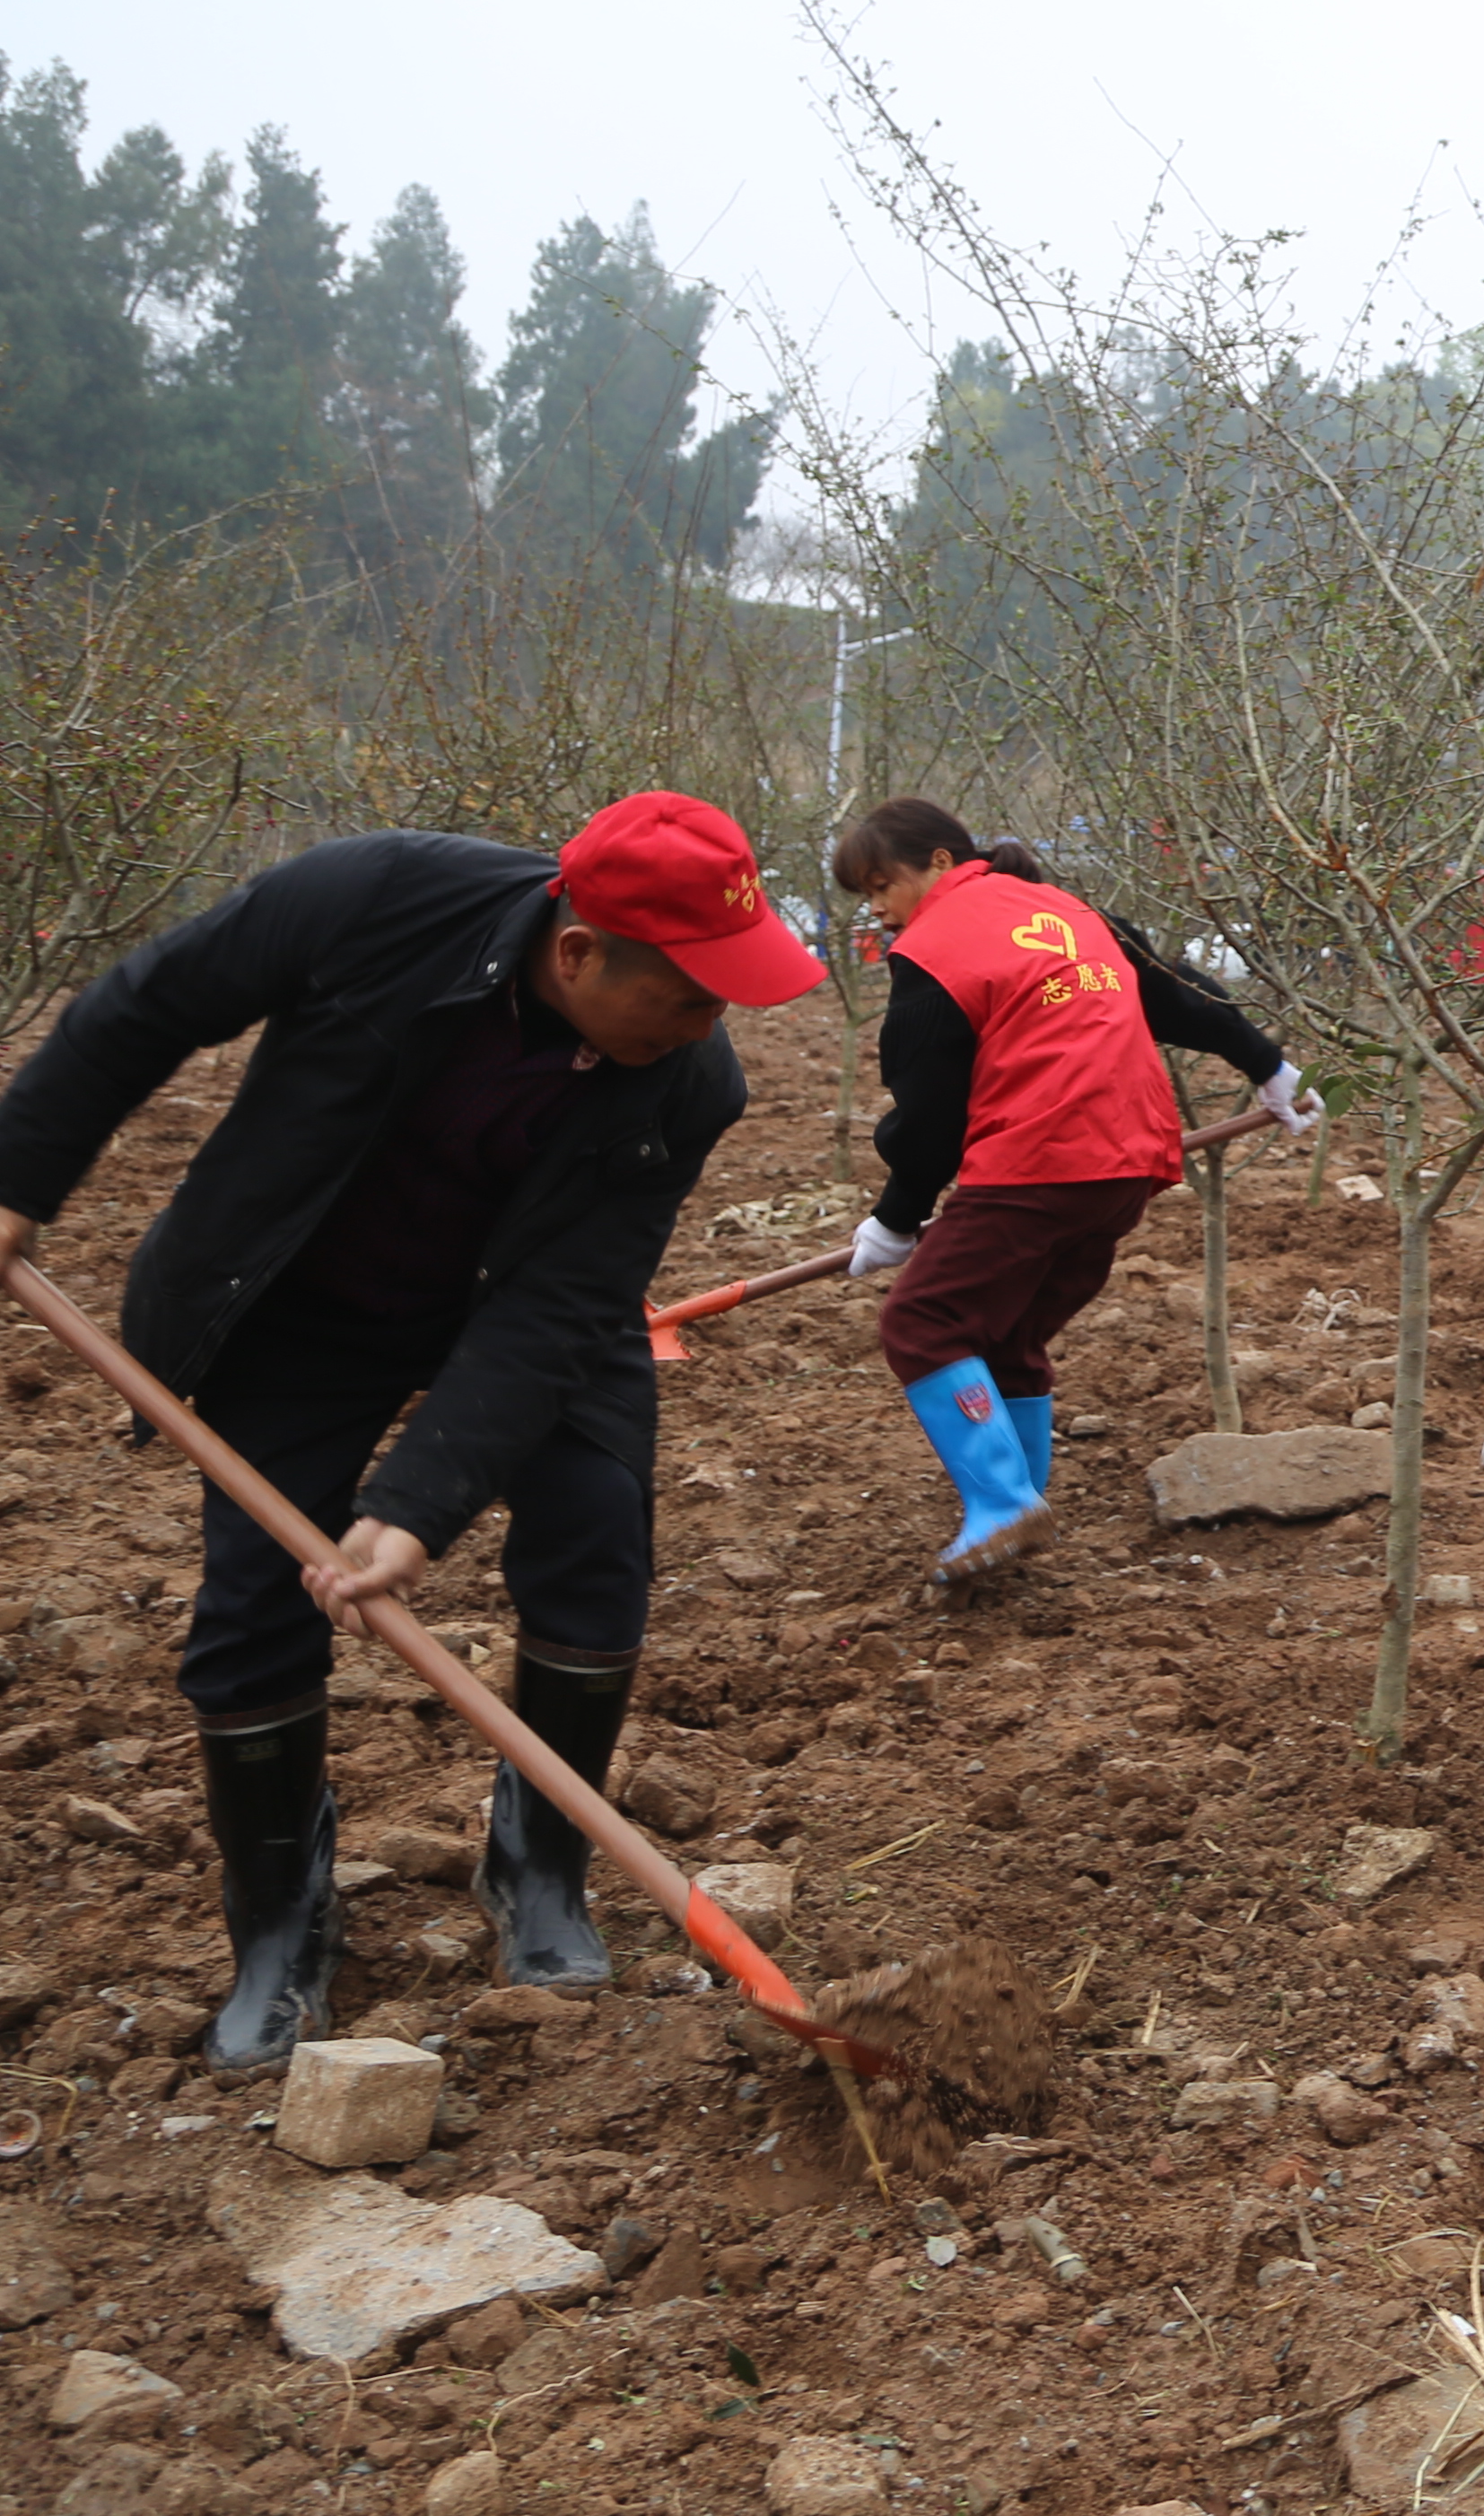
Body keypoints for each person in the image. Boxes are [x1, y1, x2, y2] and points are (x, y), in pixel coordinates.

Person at [0, 796, 821, 2063]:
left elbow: (558, 1312)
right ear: (578, 953)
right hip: (300, 1293)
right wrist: (17, 1179)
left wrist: (414, 1507)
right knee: (254, 1596)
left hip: (530, 1298)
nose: (711, 1026)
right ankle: (278, 1921)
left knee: (596, 1527)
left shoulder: (686, 1085)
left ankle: (537, 1865)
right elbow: (143, 1009)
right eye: (689, 996)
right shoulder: (369, 899)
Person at [832, 804, 1317, 1581]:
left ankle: (1002, 1504)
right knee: (1010, 1337)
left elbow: (928, 1114)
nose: (879, 908)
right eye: (865, 896)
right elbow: (1178, 992)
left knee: (924, 1322)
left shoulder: (932, 954)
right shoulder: (1071, 910)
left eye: (883, 885)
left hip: (1039, 1159)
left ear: (942, 863)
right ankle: (1016, 1519)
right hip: (1130, 1163)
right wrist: (1268, 1063)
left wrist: (896, 1220)